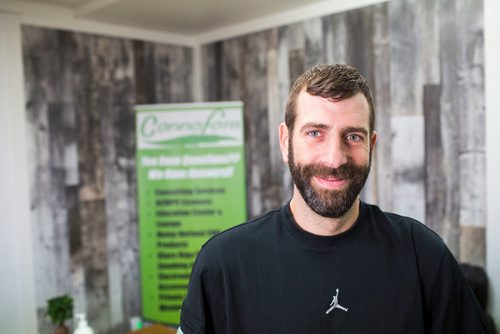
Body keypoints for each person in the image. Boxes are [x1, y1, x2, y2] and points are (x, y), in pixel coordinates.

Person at [178, 64, 493, 333]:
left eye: (352, 136)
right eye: (315, 132)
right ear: (285, 141)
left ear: (371, 144)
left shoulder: (421, 254)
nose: (334, 159)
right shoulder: (222, 263)